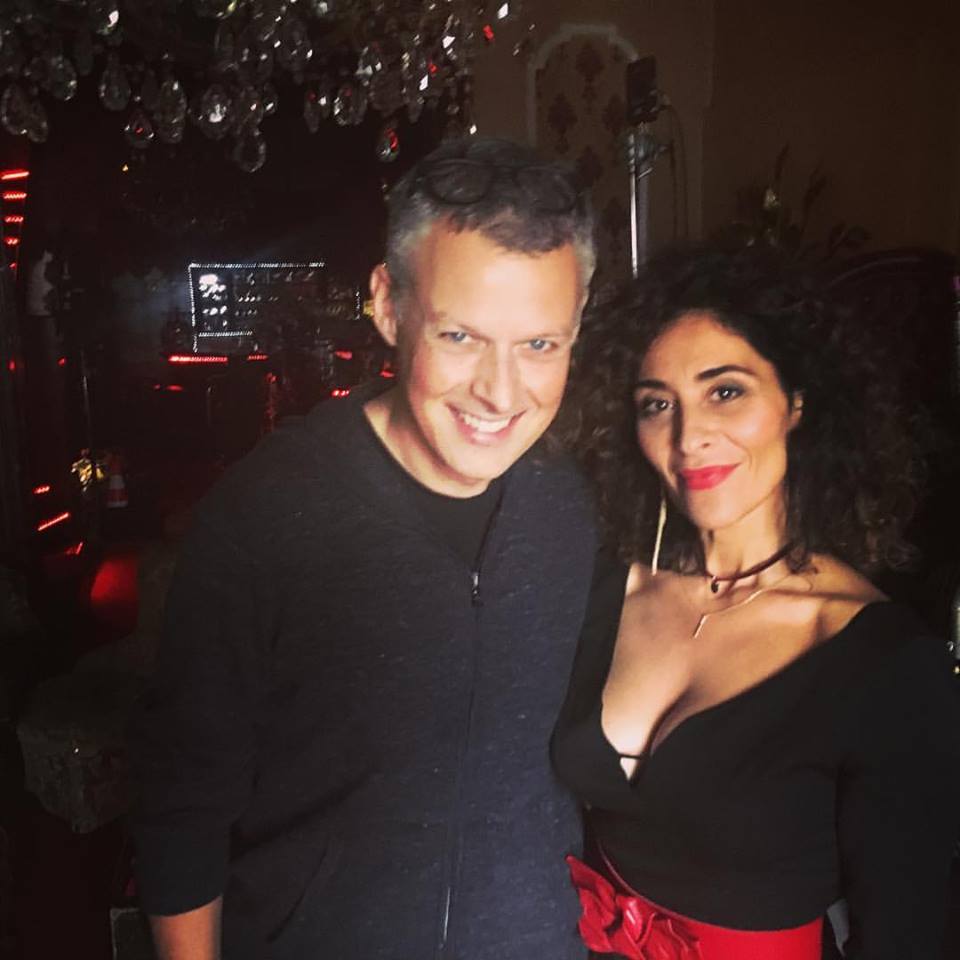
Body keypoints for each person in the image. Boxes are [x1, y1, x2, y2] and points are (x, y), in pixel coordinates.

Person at [129, 137, 598, 959]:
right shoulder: (266, 515)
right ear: (388, 305)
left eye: (539, 345)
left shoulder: (576, 507)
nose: (501, 392)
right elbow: (182, 808)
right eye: (460, 336)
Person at [551, 247, 960, 959]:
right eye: (657, 404)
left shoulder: (886, 664)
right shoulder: (604, 586)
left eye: (726, 391)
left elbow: (906, 936)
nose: (689, 436)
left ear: (796, 401)